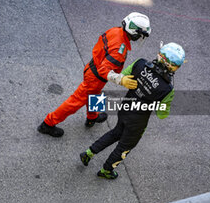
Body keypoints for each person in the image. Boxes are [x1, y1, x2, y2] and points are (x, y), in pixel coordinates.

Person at [79, 42, 186, 179]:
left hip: (125, 108)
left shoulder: (140, 63)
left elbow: (123, 75)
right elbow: (162, 115)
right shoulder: (167, 89)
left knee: (115, 133)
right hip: (138, 122)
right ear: (172, 67)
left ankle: (88, 153)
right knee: (124, 147)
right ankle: (106, 170)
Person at [37, 12, 151, 137]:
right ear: (134, 33)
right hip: (95, 77)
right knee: (74, 103)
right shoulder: (119, 50)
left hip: (92, 69)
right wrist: (121, 79)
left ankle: (92, 117)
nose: (139, 38)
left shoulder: (116, 31)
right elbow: (104, 70)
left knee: (95, 94)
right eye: (140, 35)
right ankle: (47, 124)